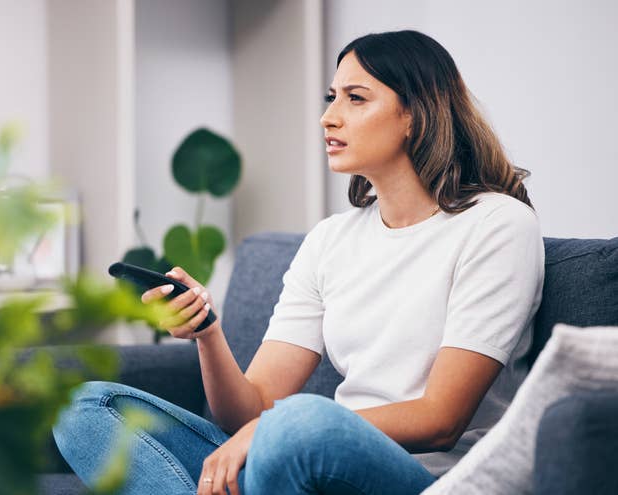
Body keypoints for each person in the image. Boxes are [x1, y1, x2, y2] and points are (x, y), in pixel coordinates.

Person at [53, 30, 545, 495]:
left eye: (355, 98)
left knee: (299, 423)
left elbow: (442, 418)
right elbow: (252, 408)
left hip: (427, 477)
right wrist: (208, 333)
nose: (329, 117)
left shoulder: (498, 225)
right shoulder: (331, 240)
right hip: (300, 458)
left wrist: (273, 429)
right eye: (331, 98)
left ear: (416, 115)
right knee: (85, 406)